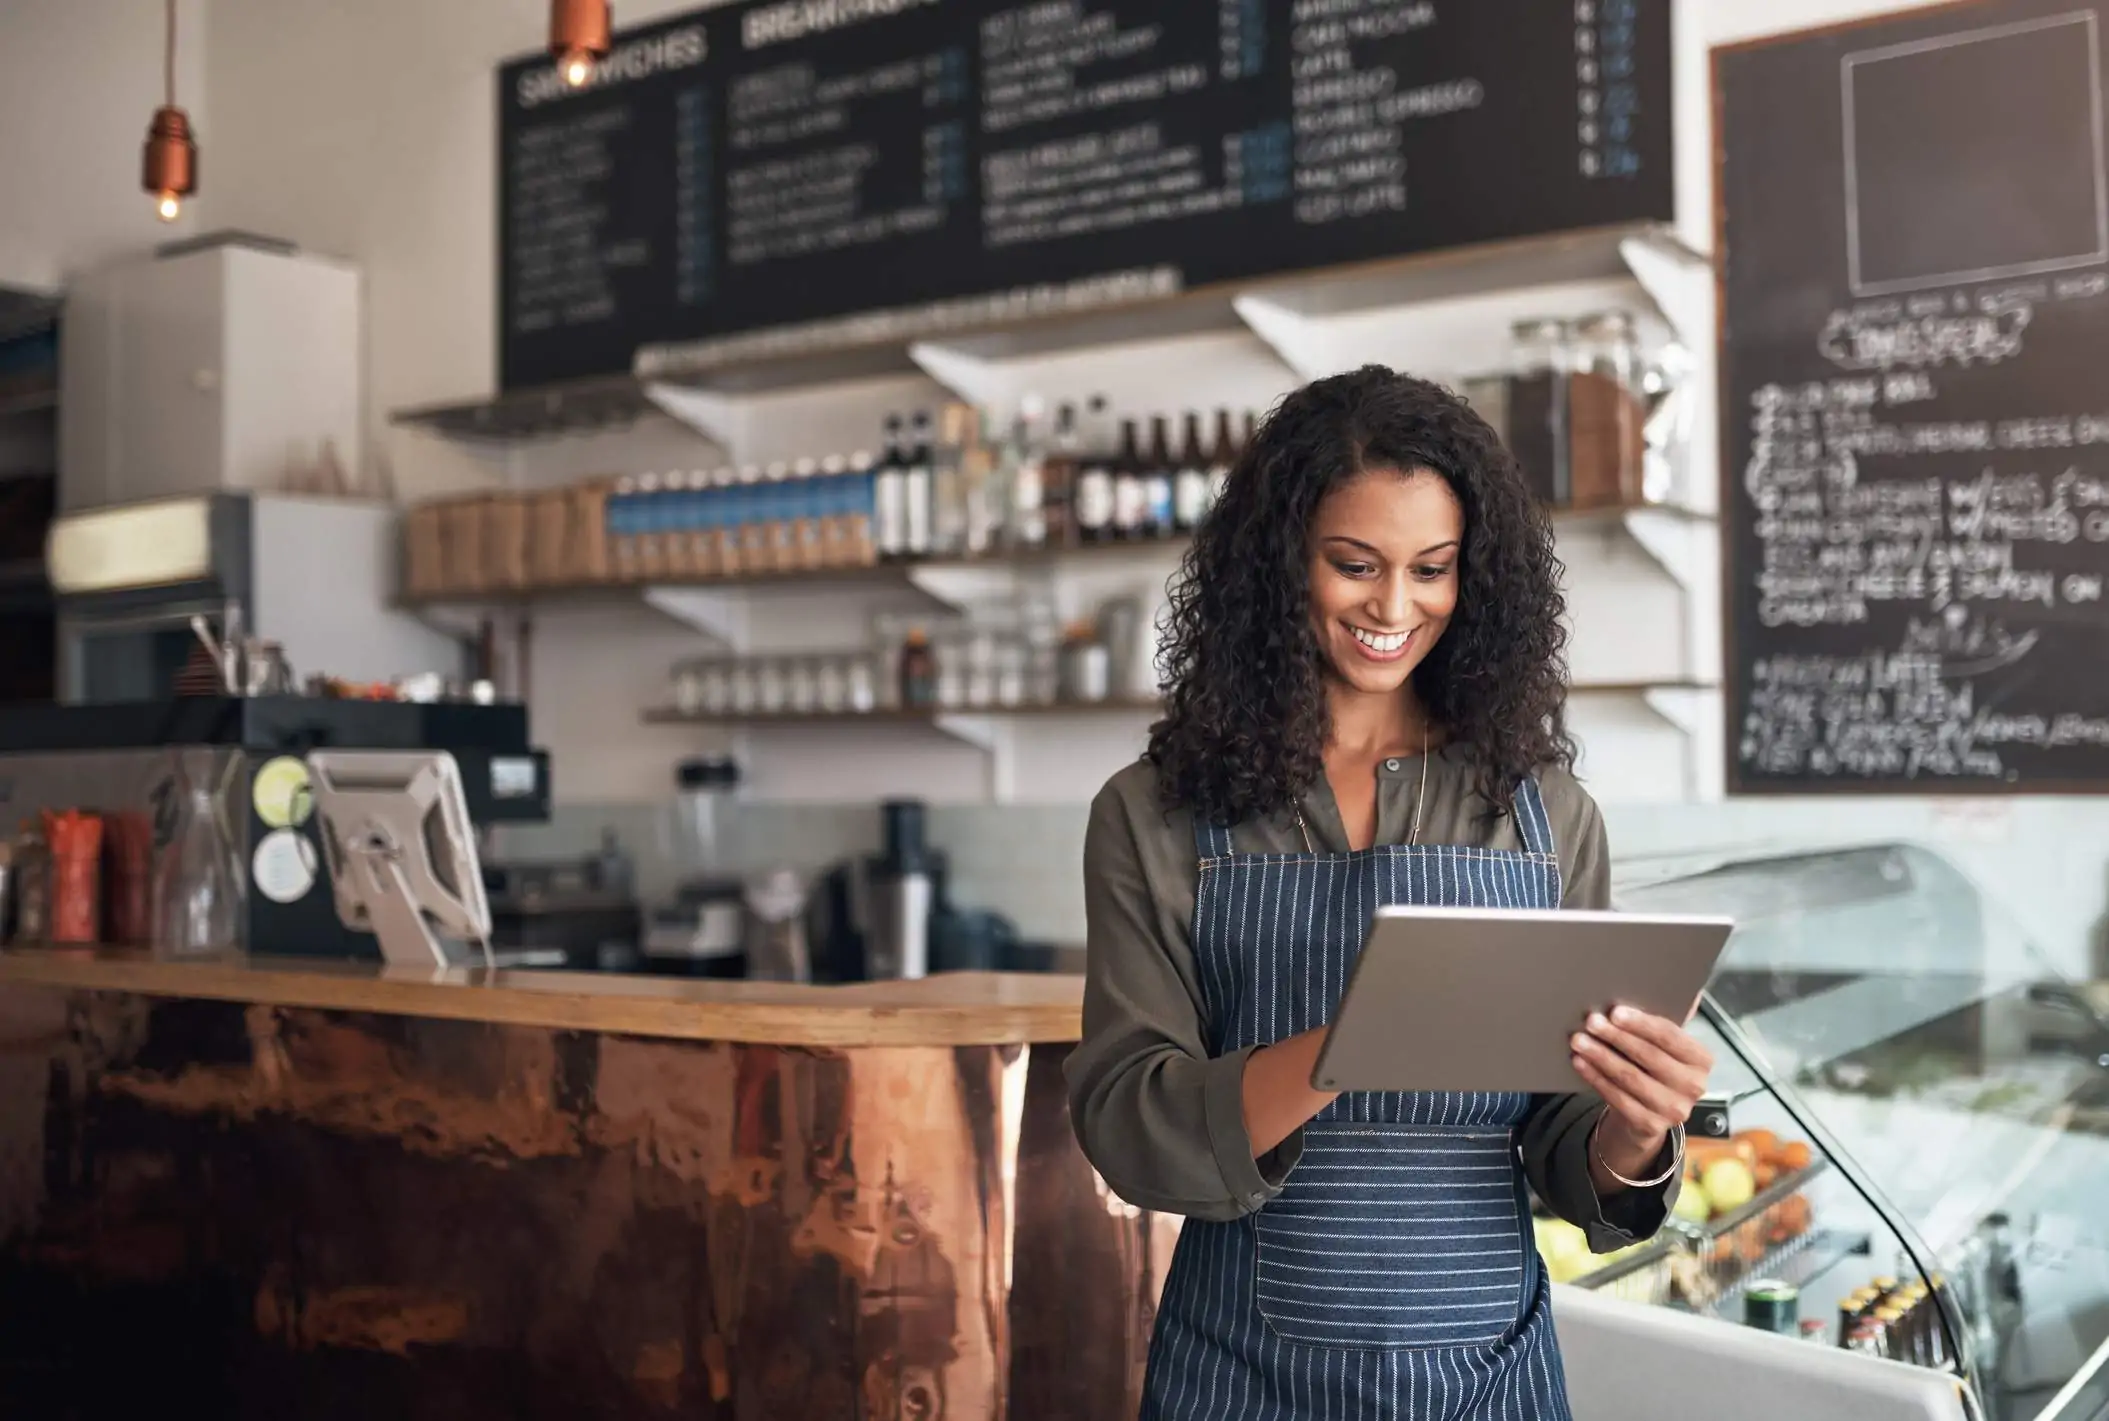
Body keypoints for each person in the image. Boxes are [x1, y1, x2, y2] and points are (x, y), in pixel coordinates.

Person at [1067, 367, 1713, 1419]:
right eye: (1355, 564)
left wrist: (1636, 1128)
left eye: (1433, 569)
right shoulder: (1156, 812)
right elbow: (1127, 1116)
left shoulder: (1543, 809)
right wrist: (1351, 1042)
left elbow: (1567, 1140)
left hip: (1489, 1376)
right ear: (1280, 567)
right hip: (1238, 1374)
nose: (1395, 606)